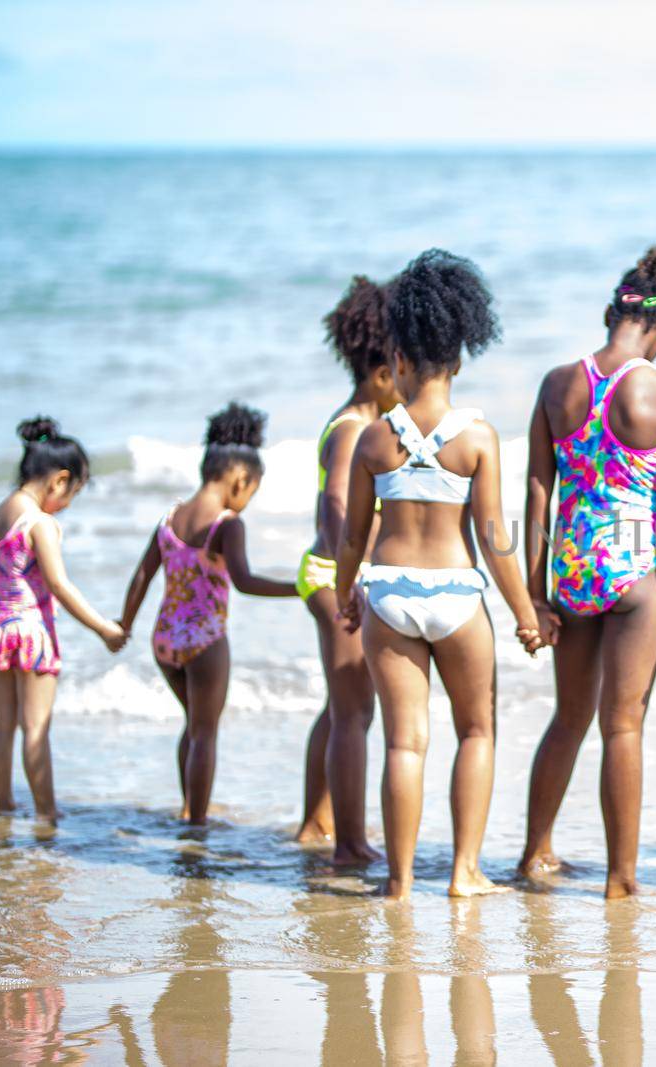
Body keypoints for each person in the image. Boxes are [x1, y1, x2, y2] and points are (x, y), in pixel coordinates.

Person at [335, 248, 546, 900]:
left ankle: (398, 884)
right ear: (460, 358)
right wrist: (526, 614)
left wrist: (348, 595)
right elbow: (494, 537)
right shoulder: (477, 438)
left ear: (397, 360)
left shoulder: (373, 440)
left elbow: (351, 533)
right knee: (477, 729)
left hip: (390, 590)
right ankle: (464, 872)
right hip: (457, 596)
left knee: (405, 742)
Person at [518, 245, 656, 898]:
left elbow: (536, 495)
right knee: (622, 724)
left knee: (568, 717)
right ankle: (621, 879)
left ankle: (533, 853)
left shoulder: (556, 383)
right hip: (633, 571)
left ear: (611, 312)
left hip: (571, 570)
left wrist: (534, 596)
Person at [119, 402, 298, 825]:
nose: (248, 501)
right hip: (205, 641)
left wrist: (124, 625)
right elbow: (244, 580)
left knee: (193, 724)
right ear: (241, 479)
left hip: (164, 639)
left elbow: (142, 575)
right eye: (252, 491)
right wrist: (301, 590)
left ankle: (187, 806)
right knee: (205, 732)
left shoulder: (170, 518)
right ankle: (196, 823)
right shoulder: (227, 524)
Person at [294, 275, 401, 864]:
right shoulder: (356, 428)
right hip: (336, 575)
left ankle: (317, 820)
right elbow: (336, 505)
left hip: (330, 572)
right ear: (382, 371)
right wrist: (349, 579)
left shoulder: (350, 421)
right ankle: (351, 844)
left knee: (341, 707)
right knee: (357, 712)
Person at [0, 417, 127, 819]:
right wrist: (104, 628)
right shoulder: (40, 523)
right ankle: (47, 811)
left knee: (2, 725)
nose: (69, 502)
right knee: (36, 727)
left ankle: (4, 806)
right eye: (73, 492)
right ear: (59, 480)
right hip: (30, 632)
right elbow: (59, 585)